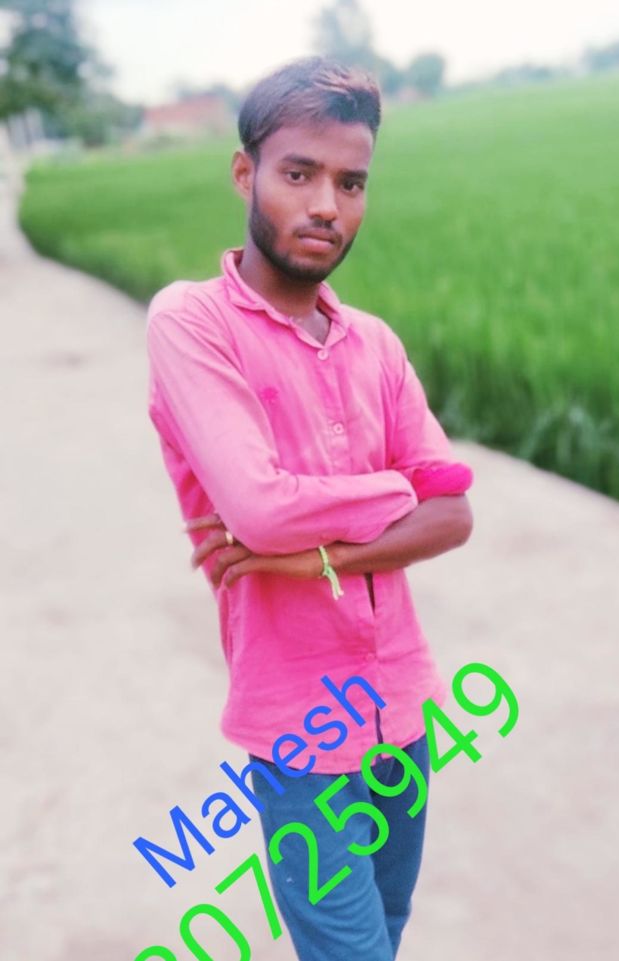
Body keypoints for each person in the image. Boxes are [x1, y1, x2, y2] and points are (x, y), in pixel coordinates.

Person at [145, 55, 474, 961]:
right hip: (302, 729)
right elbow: (258, 509)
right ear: (245, 173)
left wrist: (318, 556)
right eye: (299, 174)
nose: (327, 204)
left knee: (386, 934)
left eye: (351, 183)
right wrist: (397, 491)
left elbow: (456, 518)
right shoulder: (192, 322)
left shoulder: (375, 343)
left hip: (404, 711)